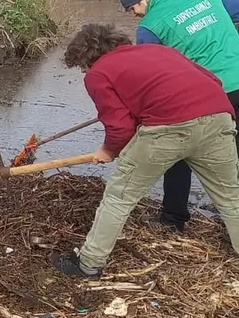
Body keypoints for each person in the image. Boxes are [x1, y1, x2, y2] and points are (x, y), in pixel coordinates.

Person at [52, 23, 239, 278]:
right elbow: (213, 80)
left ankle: (88, 264)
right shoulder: (158, 50)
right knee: (231, 196)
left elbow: (120, 127)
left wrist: (108, 151)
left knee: (119, 197)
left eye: (82, 65)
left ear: (86, 59)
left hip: (168, 129)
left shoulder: (98, 73)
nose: (84, 71)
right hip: (218, 116)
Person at [119, 0, 239, 232]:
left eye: (132, 8)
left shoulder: (149, 27)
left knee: (179, 150)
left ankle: (173, 218)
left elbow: (154, 77)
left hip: (212, 94)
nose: (133, 14)